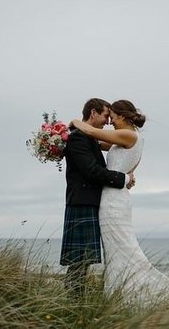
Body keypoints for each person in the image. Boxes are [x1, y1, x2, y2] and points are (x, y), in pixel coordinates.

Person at [70, 100, 169, 308]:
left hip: (114, 202)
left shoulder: (128, 136)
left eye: (113, 117)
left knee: (122, 249)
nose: (110, 122)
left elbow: (89, 131)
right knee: (118, 249)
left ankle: (126, 294)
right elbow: (96, 144)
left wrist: (71, 122)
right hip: (115, 198)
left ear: (123, 117)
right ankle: (120, 293)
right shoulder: (124, 140)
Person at [60, 98, 135, 299]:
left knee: (83, 261)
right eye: (104, 115)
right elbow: (92, 171)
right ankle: (74, 302)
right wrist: (123, 178)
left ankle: (76, 300)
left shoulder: (88, 137)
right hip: (82, 202)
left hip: (90, 201)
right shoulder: (78, 138)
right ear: (93, 113)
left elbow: (113, 148)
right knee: (79, 261)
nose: (107, 121)